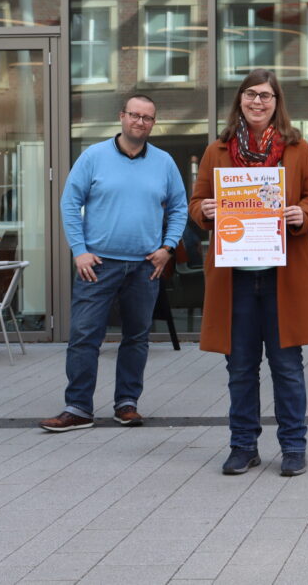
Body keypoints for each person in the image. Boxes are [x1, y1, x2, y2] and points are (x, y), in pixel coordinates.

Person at [189, 69, 308, 477]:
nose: (257, 102)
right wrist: (205, 210)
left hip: (282, 277)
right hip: (235, 280)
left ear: (276, 102)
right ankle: (243, 446)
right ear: (240, 100)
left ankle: (294, 447)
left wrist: (303, 213)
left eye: (266, 96)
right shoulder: (217, 150)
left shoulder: (298, 148)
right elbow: (197, 202)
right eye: (251, 94)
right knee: (240, 368)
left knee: (287, 367)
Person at [41, 95, 187, 432]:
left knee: (137, 337)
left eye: (147, 118)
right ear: (122, 116)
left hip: (145, 266)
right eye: (135, 115)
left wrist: (168, 248)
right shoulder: (94, 156)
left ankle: (127, 404)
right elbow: (69, 203)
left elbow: (179, 207)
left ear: (153, 123)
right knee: (84, 336)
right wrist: (79, 250)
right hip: (98, 264)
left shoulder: (164, 162)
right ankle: (78, 408)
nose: (140, 122)